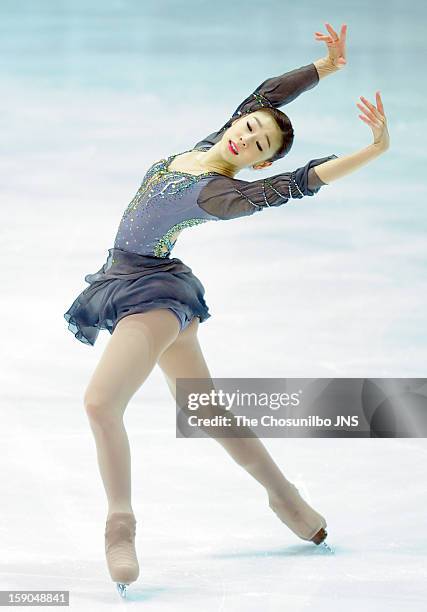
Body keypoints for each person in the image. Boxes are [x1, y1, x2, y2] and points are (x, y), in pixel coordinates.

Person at [63, 22, 390, 593]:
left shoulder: (222, 191)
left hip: (154, 297)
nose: (248, 137)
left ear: (258, 163)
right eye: (250, 127)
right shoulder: (209, 141)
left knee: (99, 403)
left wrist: (372, 150)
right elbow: (269, 94)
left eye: (260, 145)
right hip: (137, 278)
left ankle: (120, 524)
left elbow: (300, 181)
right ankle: (288, 499)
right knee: (205, 412)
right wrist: (325, 69)